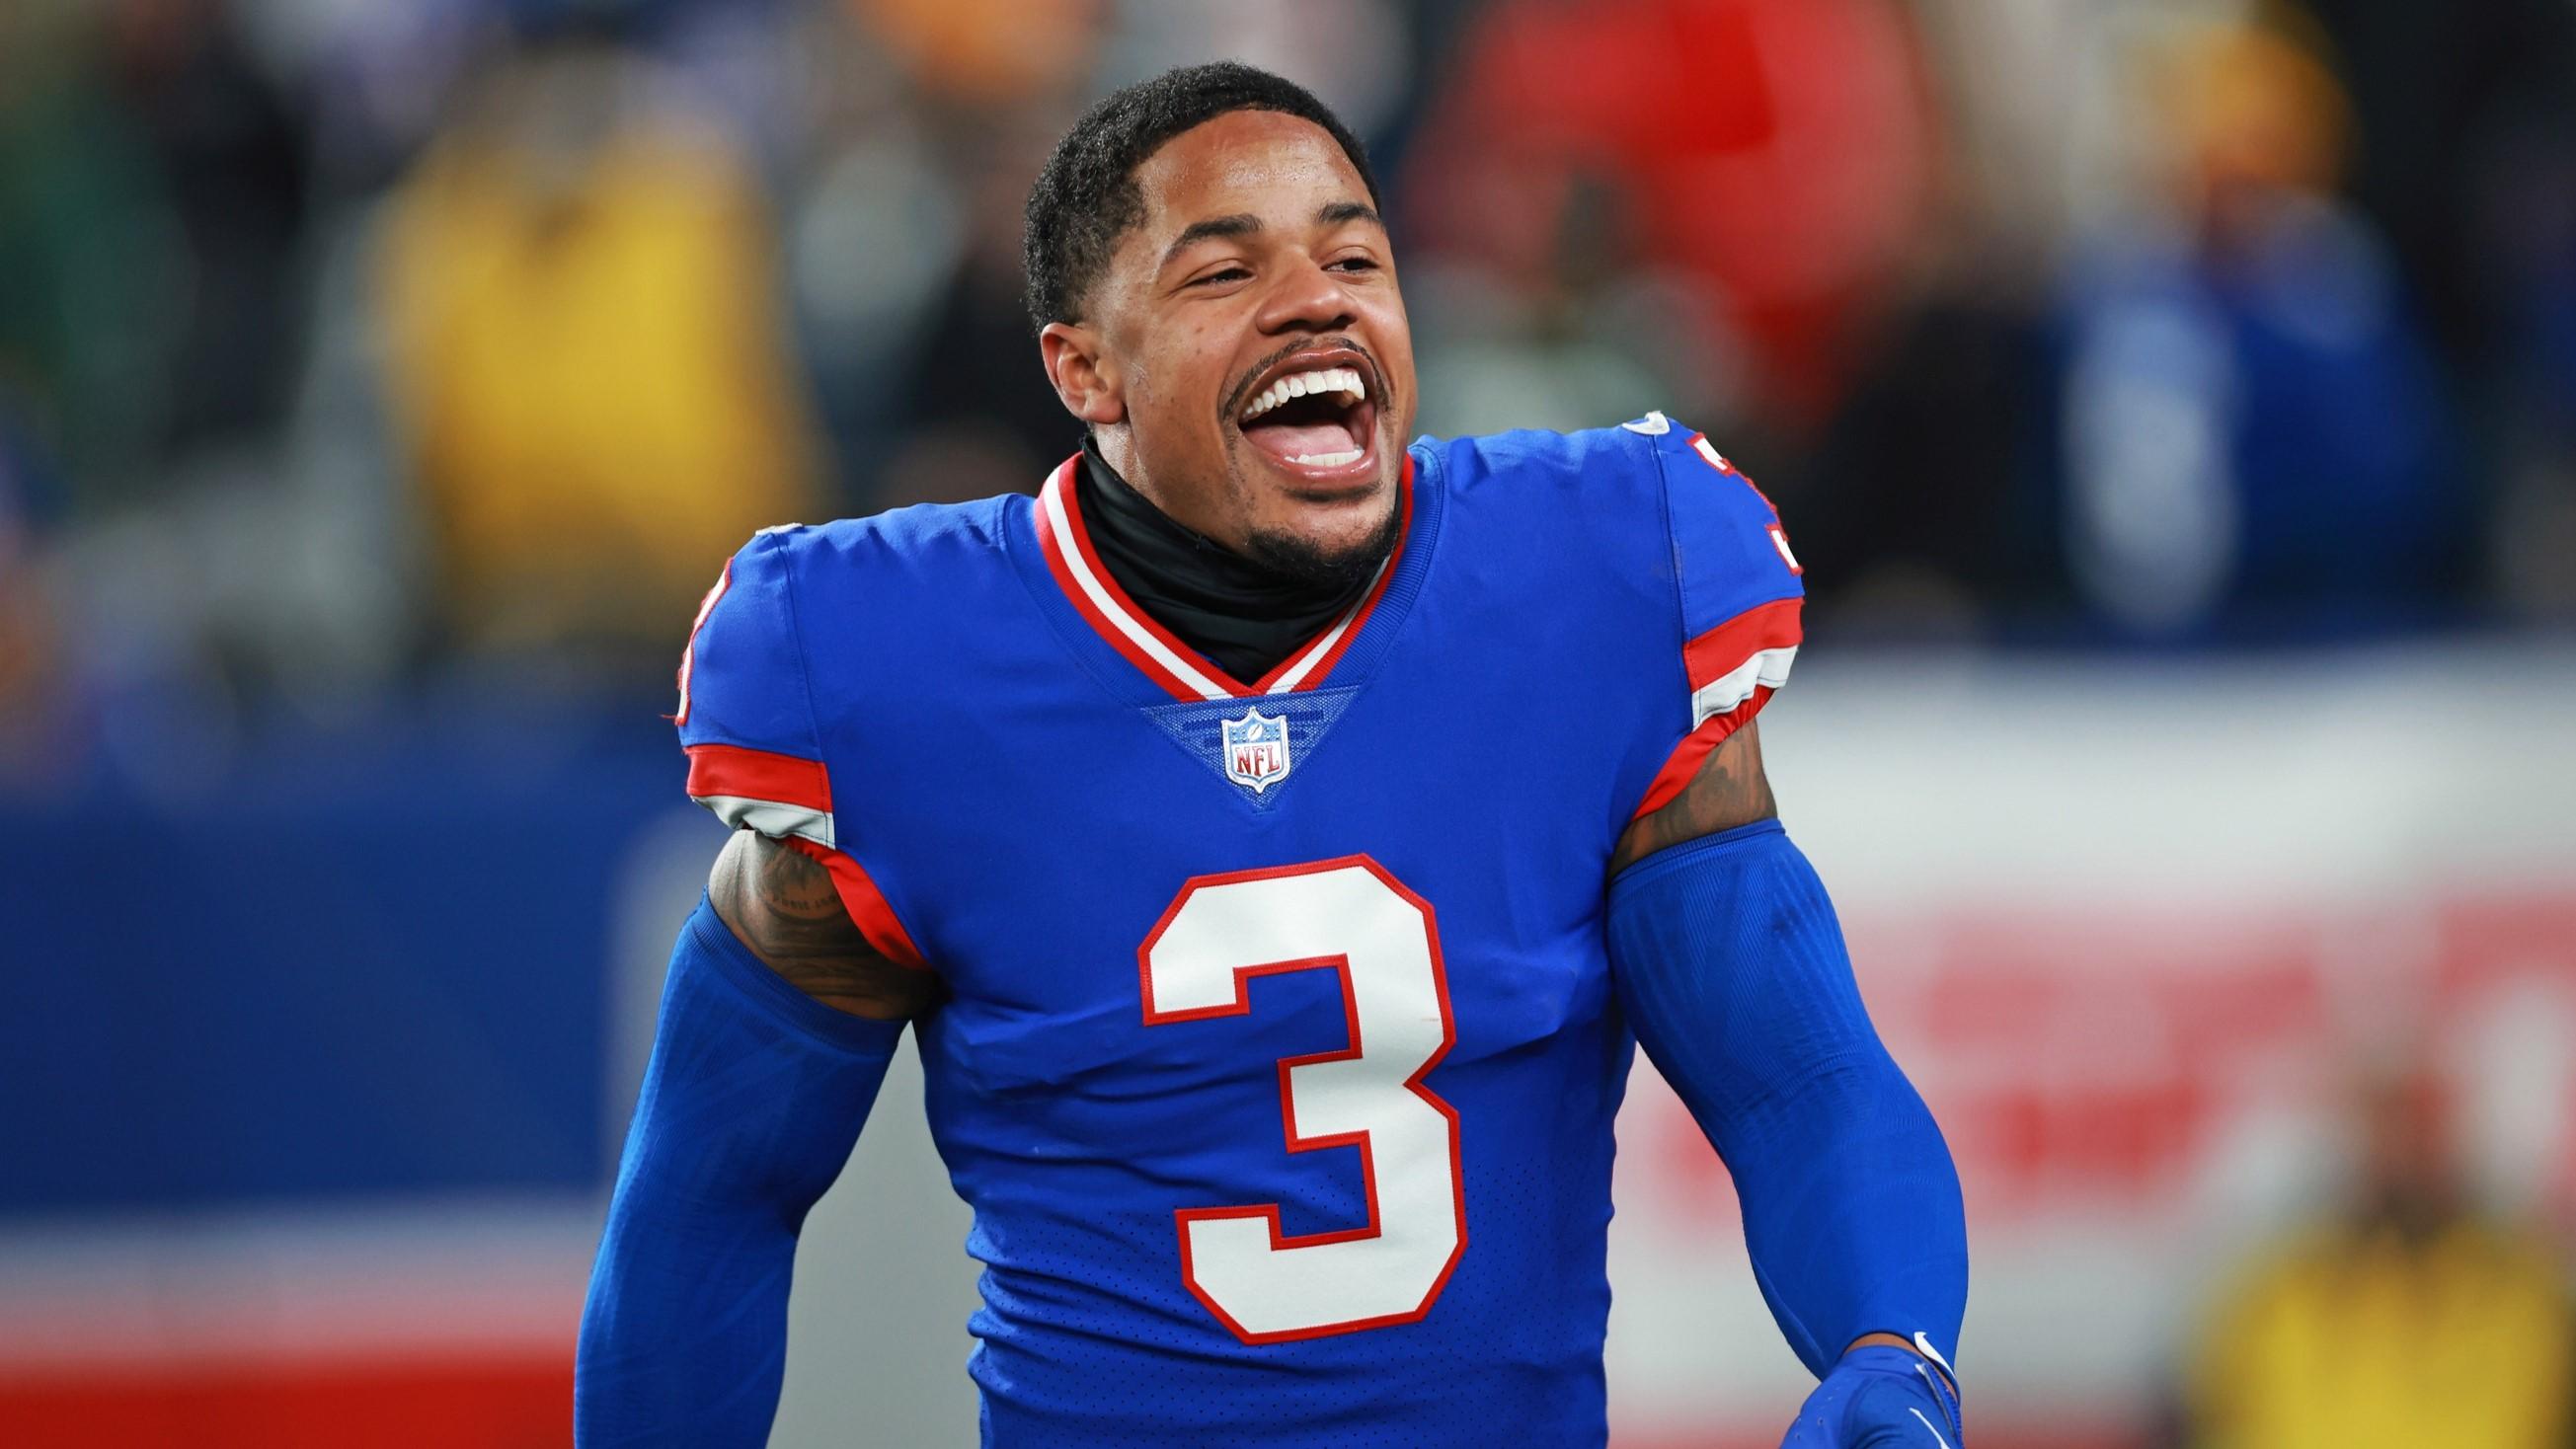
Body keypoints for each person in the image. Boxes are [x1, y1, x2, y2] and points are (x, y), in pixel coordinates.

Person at [576, 62, 1969, 1448]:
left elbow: (1795, 1076)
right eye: (1220, 272)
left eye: (1355, 253)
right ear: (1083, 368)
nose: (1317, 297)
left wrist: (1889, 1354)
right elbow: (710, 1194)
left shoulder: (1588, 583)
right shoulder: (894, 671)